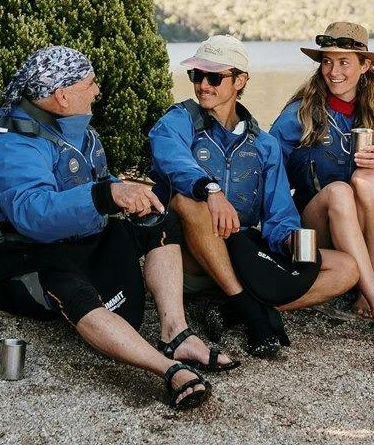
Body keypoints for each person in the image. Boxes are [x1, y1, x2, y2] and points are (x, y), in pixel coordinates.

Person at [0, 45, 221, 410]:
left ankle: (176, 333)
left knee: (158, 221)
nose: (97, 90)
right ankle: (168, 369)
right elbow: (33, 213)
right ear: (62, 95)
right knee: (69, 287)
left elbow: (91, 178)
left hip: (76, 236)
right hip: (21, 250)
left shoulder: (72, 128)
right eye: (90, 83)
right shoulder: (13, 145)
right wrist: (106, 195)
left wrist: (125, 192)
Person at [148, 34, 359, 359]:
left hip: (243, 255)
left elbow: (279, 214)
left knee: (346, 268)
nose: (203, 85)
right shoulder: (178, 120)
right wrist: (210, 189)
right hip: (189, 259)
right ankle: (250, 310)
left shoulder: (264, 144)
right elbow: (169, 156)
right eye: (196, 75)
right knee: (187, 202)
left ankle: (232, 308)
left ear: (240, 80)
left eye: (214, 77)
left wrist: (289, 241)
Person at [269, 22, 374, 346]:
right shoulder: (298, 115)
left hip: (373, 234)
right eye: (327, 61)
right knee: (340, 190)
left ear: (365, 65)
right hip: (319, 230)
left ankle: (363, 286)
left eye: (344, 62)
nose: (333, 71)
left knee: (366, 179)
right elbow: (268, 174)